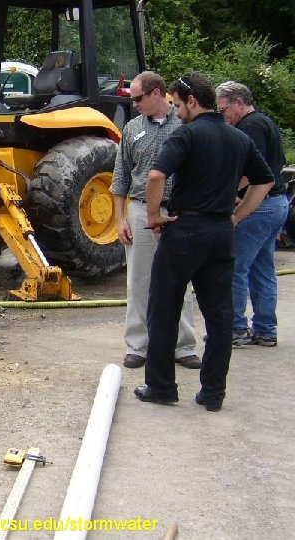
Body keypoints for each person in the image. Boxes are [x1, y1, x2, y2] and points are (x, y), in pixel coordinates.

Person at [134, 72, 274, 412]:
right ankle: (213, 393)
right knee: (220, 314)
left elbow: (155, 175)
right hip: (221, 234)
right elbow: (265, 180)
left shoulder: (186, 135)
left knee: (164, 308)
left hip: (184, 230)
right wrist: (237, 215)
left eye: (178, 104)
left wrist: (153, 217)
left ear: (193, 101)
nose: (175, 110)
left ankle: (161, 386)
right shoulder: (238, 138)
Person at [110, 71, 200, 370]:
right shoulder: (132, 128)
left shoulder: (186, 126)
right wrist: (120, 218)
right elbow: (121, 176)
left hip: (176, 210)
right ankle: (139, 344)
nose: (133, 104)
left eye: (137, 98)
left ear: (157, 93)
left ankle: (183, 344)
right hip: (139, 210)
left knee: (181, 278)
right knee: (138, 279)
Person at [215, 81, 289, 347]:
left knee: (236, 266)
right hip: (277, 202)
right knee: (263, 268)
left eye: (224, 110)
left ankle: (235, 328)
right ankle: (266, 329)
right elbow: (275, 165)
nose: (223, 116)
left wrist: (227, 191)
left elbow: (255, 170)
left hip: (260, 206)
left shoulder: (251, 127)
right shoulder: (266, 122)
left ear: (238, 102)